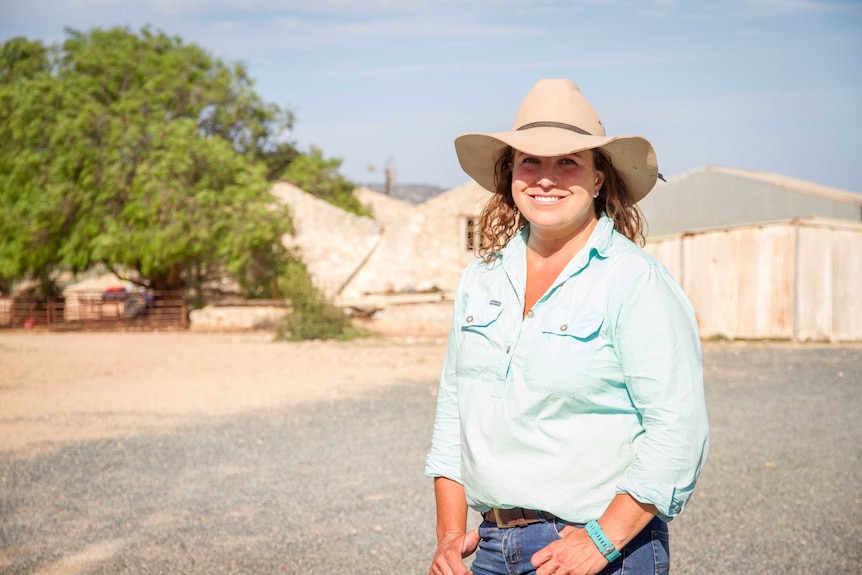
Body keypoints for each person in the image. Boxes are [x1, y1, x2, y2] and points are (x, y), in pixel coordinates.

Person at [424, 79, 709, 575]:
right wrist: (450, 534)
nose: (545, 178)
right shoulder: (481, 279)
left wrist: (600, 541)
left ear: (598, 180)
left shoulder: (632, 280)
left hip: (598, 552)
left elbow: (677, 430)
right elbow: (454, 411)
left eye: (568, 162)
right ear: (509, 173)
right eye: (529, 160)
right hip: (489, 548)